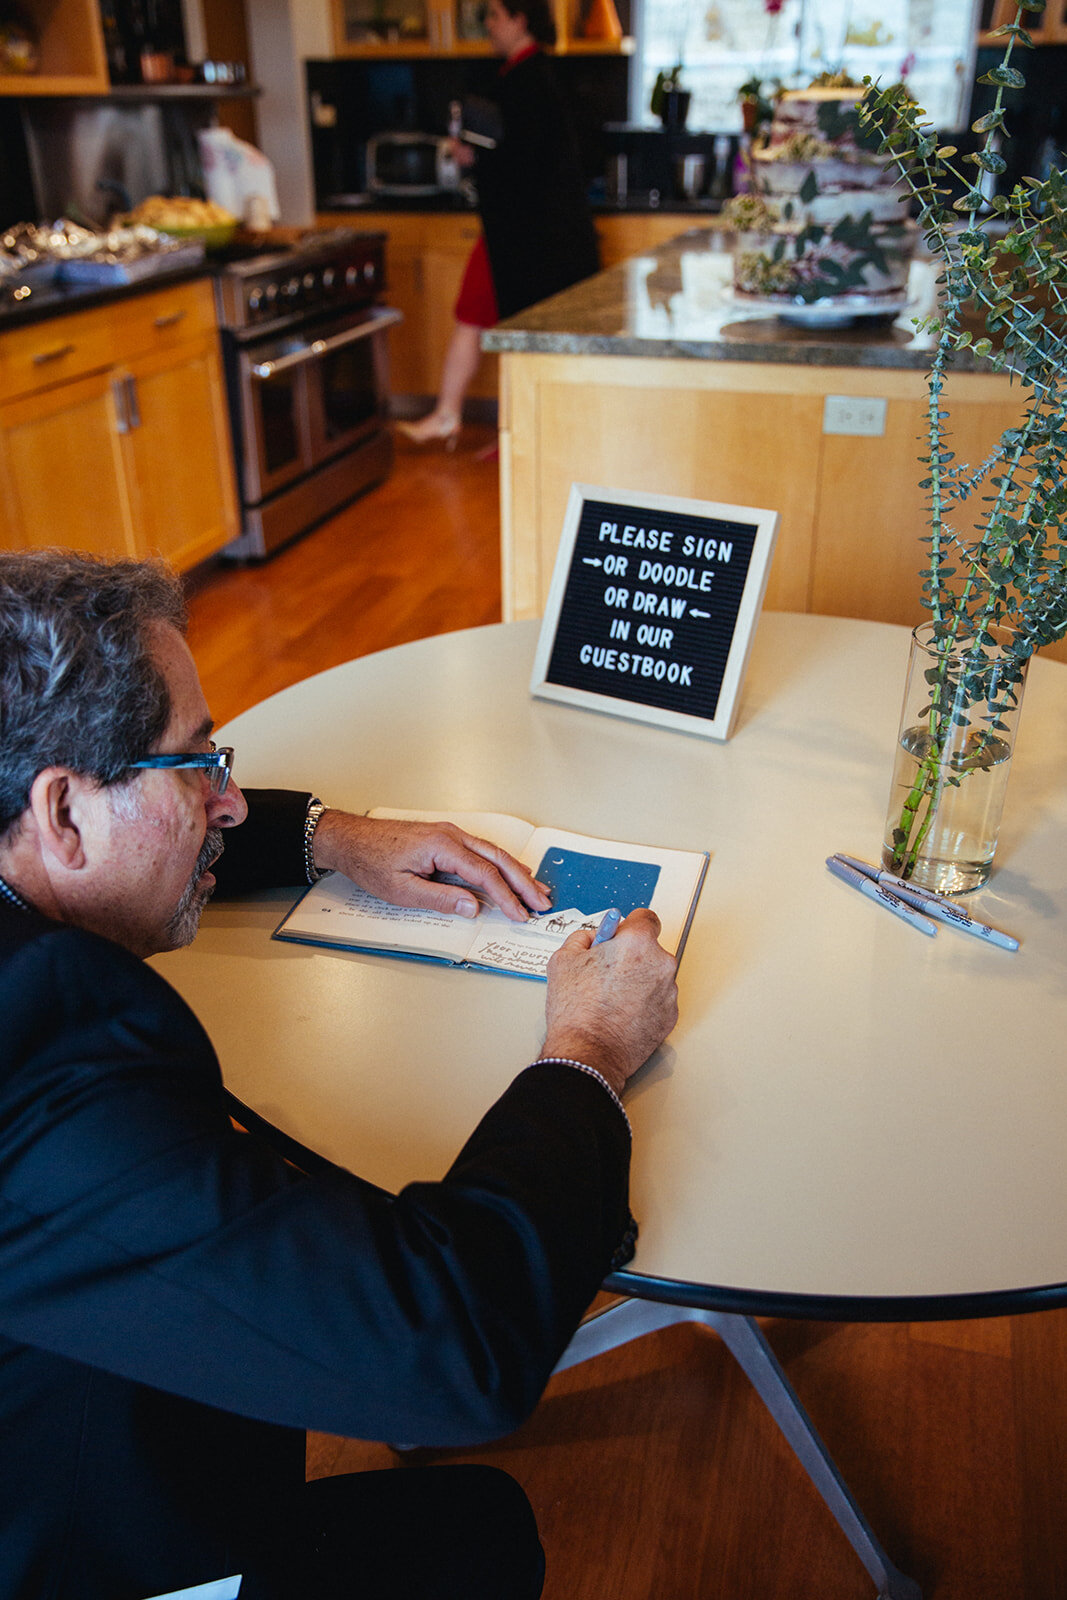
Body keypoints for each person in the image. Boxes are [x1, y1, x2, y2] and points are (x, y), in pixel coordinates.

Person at [0, 548, 678, 1600]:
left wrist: (332, 838)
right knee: (480, 1534)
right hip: (71, 1550)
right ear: (61, 813)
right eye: (197, 764)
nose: (227, 802)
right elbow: (458, 1344)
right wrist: (585, 1048)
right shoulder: (46, 1056)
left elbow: (141, 803)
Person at [397, 0, 600, 449]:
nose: (487, 25)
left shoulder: (528, 80)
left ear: (518, 19)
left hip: (530, 237)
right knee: (486, 320)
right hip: (525, 232)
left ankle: (510, 433)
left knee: (518, 333)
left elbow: (524, 163)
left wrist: (474, 157)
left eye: (493, 15)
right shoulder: (529, 76)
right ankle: (475, 422)